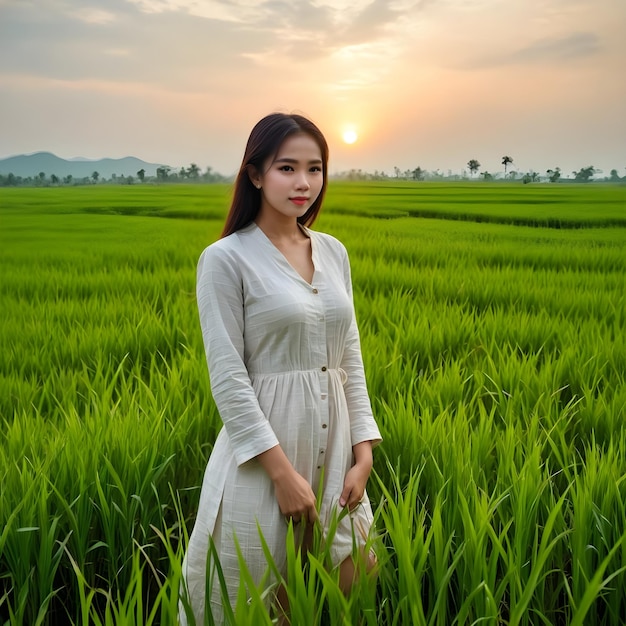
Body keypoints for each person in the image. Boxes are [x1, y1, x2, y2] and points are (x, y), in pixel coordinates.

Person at [180, 113, 382, 625]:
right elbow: (228, 378)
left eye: (314, 169)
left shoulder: (333, 252)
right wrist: (282, 475)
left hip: (337, 449)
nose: (303, 183)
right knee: (262, 599)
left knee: (356, 578)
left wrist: (364, 453)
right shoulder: (225, 259)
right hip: (265, 458)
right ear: (255, 175)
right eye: (286, 168)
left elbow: (349, 358)